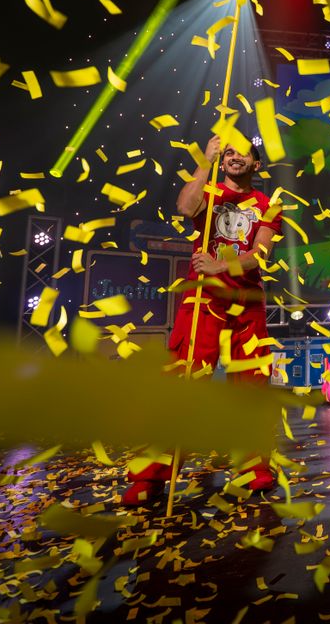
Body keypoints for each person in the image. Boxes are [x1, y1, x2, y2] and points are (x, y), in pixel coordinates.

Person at [122, 135, 283, 505]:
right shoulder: (209, 190)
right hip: (203, 299)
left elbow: (261, 254)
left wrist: (221, 264)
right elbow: (185, 206)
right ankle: (151, 476)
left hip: (246, 302)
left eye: (243, 152)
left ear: (256, 164)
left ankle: (254, 468)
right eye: (228, 153)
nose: (234, 157)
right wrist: (204, 162)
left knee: (251, 387)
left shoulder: (268, 205)